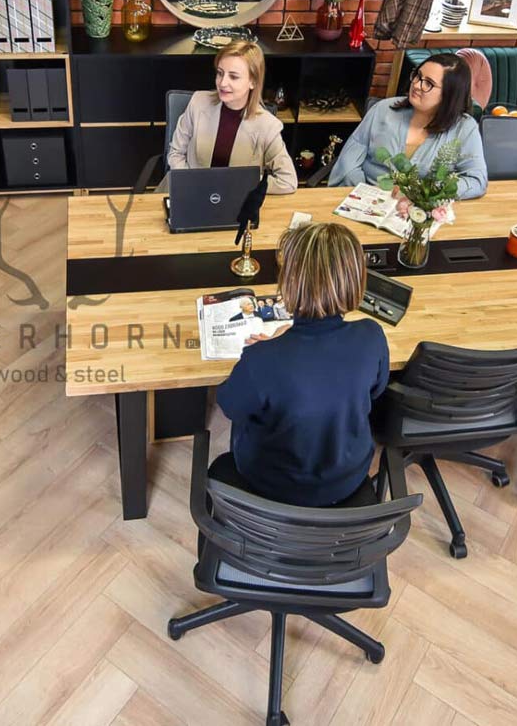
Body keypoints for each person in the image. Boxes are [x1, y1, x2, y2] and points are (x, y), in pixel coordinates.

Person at [213, 222, 389, 507]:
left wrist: (272, 346)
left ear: (290, 283)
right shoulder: (371, 336)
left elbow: (229, 405)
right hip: (347, 477)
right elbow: (375, 392)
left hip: (271, 483)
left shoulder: (261, 360)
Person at [329, 52, 488, 198]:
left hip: (420, 213)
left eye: (429, 83)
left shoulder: (465, 128)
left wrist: (424, 192)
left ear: (449, 94)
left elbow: (476, 181)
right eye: (418, 76)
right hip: (365, 200)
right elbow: (348, 164)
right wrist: (366, 194)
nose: (417, 85)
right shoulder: (383, 110)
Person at [167, 39, 298, 194]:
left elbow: (288, 181)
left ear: (253, 82)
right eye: (220, 73)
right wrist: (191, 183)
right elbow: (176, 153)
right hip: (187, 190)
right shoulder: (198, 102)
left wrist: (244, 183)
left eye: (233, 77)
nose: (222, 83)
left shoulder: (267, 126)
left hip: (234, 202)